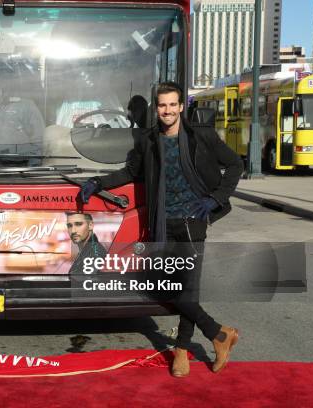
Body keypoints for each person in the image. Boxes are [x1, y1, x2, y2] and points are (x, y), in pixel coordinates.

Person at [79, 82, 243, 377]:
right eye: (162, 105)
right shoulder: (149, 140)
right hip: (162, 224)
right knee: (172, 289)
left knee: (185, 292)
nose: (167, 110)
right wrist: (99, 183)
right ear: (157, 108)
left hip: (193, 223)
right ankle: (220, 334)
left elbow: (234, 165)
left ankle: (182, 349)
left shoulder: (201, 136)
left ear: (181, 107)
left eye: (172, 105)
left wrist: (215, 199)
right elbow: (131, 172)